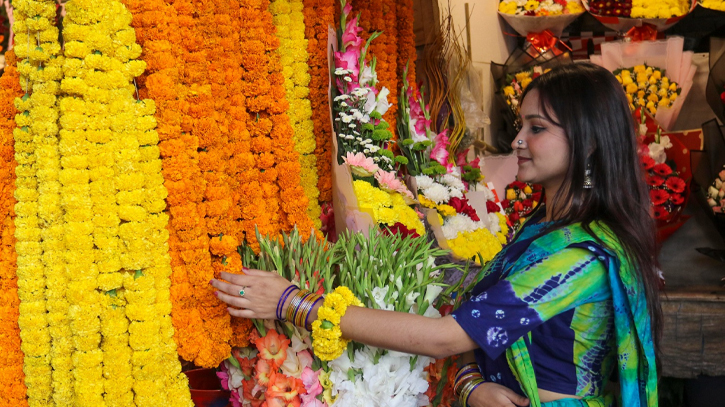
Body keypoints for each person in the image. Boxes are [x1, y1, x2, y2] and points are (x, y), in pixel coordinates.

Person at [211, 62, 661, 407]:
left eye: (537, 128)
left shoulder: (582, 255)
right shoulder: (546, 226)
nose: (519, 140)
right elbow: (481, 312)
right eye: (521, 124)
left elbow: (447, 336)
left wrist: (293, 303)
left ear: (590, 143)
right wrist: (470, 385)